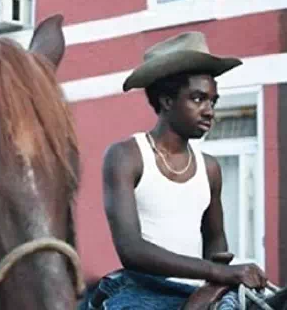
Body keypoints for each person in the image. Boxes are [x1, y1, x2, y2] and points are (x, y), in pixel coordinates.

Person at [83, 32, 269, 309]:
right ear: (167, 100)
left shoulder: (210, 168)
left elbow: (215, 240)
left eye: (213, 101)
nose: (209, 111)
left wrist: (217, 282)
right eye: (198, 99)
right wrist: (218, 272)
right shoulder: (126, 156)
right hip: (141, 289)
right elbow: (131, 250)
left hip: (197, 291)